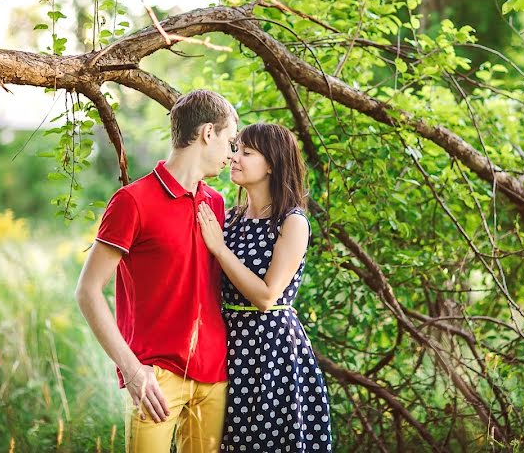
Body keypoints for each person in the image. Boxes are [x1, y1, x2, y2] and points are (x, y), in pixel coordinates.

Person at [75, 89, 238, 453]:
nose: (231, 154)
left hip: (214, 376)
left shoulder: (216, 202)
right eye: (229, 141)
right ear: (207, 133)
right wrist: (131, 369)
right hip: (155, 379)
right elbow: (87, 291)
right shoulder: (133, 201)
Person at [196, 123, 333, 452]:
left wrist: (219, 249)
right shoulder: (229, 219)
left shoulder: (292, 221)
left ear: (271, 163)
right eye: (235, 149)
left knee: (265, 442)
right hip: (224, 344)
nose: (234, 158)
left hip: (269, 350)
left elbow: (267, 296)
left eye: (246, 152)